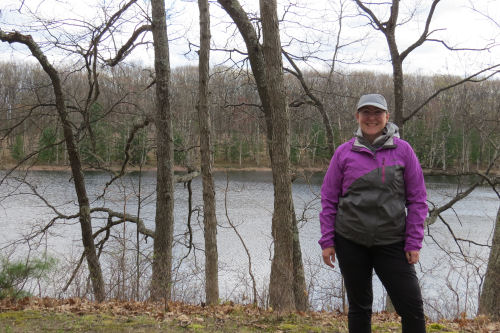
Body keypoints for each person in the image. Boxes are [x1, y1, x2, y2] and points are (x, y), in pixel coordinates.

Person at [319, 93, 428, 333]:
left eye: (377, 113)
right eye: (366, 112)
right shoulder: (344, 153)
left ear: (387, 117)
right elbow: (328, 199)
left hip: (392, 242)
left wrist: (414, 242)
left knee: (411, 307)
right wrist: (327, 240)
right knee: (360, 307)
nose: (371, 118)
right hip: (351, 241)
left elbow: (418, 200)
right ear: (357, 117)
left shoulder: (403, 151)